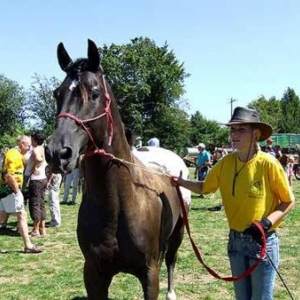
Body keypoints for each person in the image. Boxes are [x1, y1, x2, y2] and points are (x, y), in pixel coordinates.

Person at [171, 106, 295, 300]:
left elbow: (288, 201)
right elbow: (205, 188)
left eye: (240, 129)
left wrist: (266, 223)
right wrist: (181, 182)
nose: (234, 134)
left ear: (255, 134)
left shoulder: (268, 163)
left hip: (262, 241)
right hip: (236, 241)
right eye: (232, 130)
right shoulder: (226, 163)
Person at [0, 135, 42, 253]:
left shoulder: (16, 154)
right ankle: (28, 245)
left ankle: (28, 245)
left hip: (6, 190)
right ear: (22, 144)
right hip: (11, 190)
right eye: (28, 146)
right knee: (22, 215)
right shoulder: (13, 155)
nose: (29, 149)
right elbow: (9, 175)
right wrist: (17, 191)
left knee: (2, 219)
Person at [25, 131, 48, 237]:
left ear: (34, 140)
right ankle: (42, 229)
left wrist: (34, 167)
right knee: (41, 203)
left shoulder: (35, 150)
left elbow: (39, 159)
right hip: (43, 178)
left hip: (36, 180)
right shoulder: (43, 148)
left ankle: (35, 230)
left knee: (35, 204)